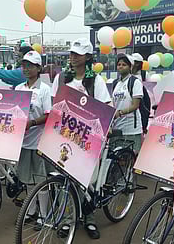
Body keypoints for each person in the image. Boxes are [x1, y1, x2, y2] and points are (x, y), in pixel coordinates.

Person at [51, 38, 111, 240]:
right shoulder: (61, 79)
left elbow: (106, 107)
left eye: (77, 54)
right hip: (65, 136)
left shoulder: (96, 81)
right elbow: (54, 105)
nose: (72, 57)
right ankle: (69, 219)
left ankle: (89, 219)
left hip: (88, 139)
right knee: (66, 179)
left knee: (86, 180)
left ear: (87, 57)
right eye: (71, 53)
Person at [14, 51, 53, 227]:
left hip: (38, 141)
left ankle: (44, 215)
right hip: (22, 141)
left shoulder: (44, 89)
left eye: (30, 65)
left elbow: (49, 114)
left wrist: (33, 122)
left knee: (40, 180)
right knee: (27, 178)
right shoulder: (19, 88)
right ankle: (31, 211)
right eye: (24, 65)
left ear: (38, 68)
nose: (26, 69)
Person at [112, 54, 143, 154]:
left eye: (124, 64)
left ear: (130, 67)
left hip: (131, 129)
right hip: (117, 127)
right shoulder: (115, 83)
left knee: (131, 158)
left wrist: (119, 113)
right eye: (119, 64)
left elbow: (135, 105)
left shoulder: (135, 82)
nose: (120, 66)